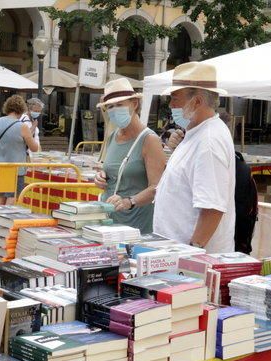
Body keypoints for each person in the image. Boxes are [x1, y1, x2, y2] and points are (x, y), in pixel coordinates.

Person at [153, 62, 235, 253]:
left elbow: (212, 208)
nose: (171, 105)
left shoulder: (208, 141)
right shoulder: (198, 133)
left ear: (197, 101)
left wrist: (192, 252)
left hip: (192, 261)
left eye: (175, 98)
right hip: (177, 255)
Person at [94, 78, 167, 234]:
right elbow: (113, 170)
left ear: (134, 104)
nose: (114, 110)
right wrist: (101, 177)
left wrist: (129, 201)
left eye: (119, 105)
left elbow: (157, 187)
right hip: (109, 220)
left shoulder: (149, 140)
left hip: (136, 224)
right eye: (110, 107)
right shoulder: (113, 136)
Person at [0, 95, 39, 205]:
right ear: (22, 109)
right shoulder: (22, 126)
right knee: (12, 197)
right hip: (16, 168)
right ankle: (7, 220)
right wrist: (32, 129)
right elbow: (34, 148)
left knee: (1, 195)